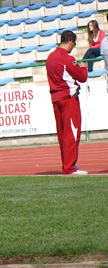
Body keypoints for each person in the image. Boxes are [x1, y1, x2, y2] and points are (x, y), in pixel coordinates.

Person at [46, 30, 89, 175]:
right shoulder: (67, 59)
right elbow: (82, 77)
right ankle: (70, 167)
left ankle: (66, 165)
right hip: (68, 98)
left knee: (62, 133)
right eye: (74, 43)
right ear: (70, 41)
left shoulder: (50, 57)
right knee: (71, 132)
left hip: (56, 98)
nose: (73, 46)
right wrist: (84, 68)